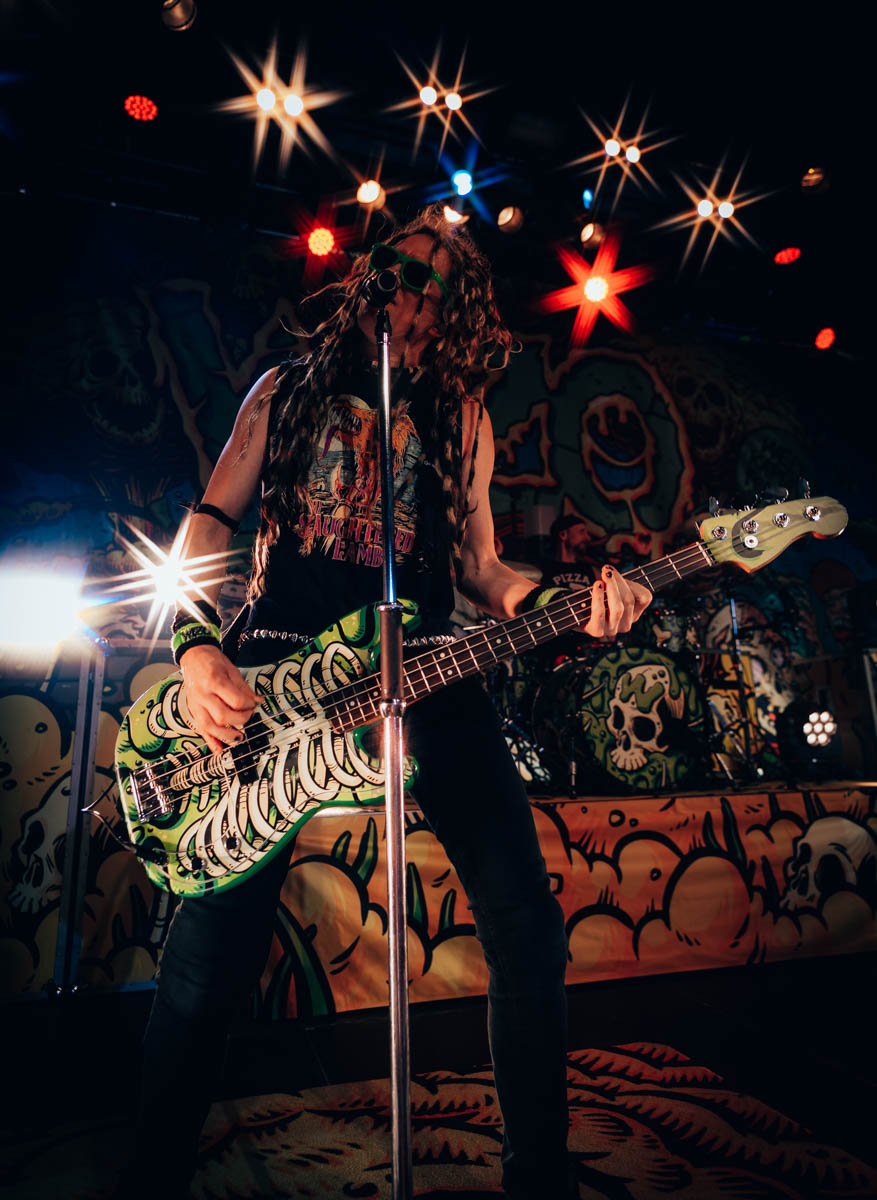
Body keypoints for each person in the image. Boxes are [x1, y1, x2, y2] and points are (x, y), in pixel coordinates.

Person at [128, 205, 651, 1199]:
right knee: (211, 949)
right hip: (280, 673)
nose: (395, 286)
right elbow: (211, 519)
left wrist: (562, 603)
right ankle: (148, 1175)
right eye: (388, 266)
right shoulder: (285, 390)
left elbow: (481, 569)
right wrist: (195, 649)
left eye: (422, 278)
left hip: (426, 670)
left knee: (524, 924)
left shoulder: (460, 418)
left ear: (449, 311)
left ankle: (538, 1177)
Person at [541, 513, 599, 592]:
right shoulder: (543, 569)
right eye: (582, 532)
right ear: (563, 535)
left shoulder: (592, 570)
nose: (588, 538)